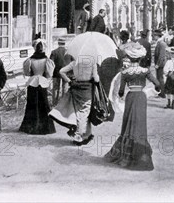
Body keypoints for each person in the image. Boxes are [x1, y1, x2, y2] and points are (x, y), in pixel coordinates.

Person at [104, 42, 160, 170]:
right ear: (140, 58)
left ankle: (125, 153)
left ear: (129, 58)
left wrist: (121, 96)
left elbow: (121, 91)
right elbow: (158, 84)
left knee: (128, 123)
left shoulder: (125, 72)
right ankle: (141, 150)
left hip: (130, 97)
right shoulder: (145, 71)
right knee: (140, 124)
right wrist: (151, 91)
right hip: (141, 97)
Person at [53, 55, 100, 145]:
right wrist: (96, 77)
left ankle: (87, 134)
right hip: (87, 88)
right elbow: (96, 79)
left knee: (80, 111)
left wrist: (69, 81)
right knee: (85, 111)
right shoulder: (92, 63)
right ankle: (79, 136)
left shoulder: (74, 63)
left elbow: (61, 71)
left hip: (76, 87)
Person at [19, 39, 56, 134]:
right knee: (44, 104)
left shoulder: (30, 60)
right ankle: (44, 127)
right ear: (43, 49)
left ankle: (31, 126)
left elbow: (27, 73)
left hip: (32, 82)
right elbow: (49, 74)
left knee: (31, 104)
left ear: (35, 48)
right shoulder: (47, 60)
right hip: (42, 83)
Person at [50, 38, 70, 105]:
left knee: (55, 88)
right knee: (65, 87)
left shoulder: (54, 52)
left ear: (58, 43)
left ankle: (55, 103)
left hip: (56, 72)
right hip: (66, 73)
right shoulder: (68, 52)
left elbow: (51, 63)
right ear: (64, 43)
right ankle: (64, 103)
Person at [153, 29, 167, 98]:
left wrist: (158, 64)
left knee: (160, 78)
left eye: (155, 35)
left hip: (160, 64)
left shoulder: (162, 44)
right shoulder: (159, 43)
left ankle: (162, 93)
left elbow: (161, 55)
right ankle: (159, 92)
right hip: (159, 64)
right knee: (159, 78)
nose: (154, 37)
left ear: (157, 36)